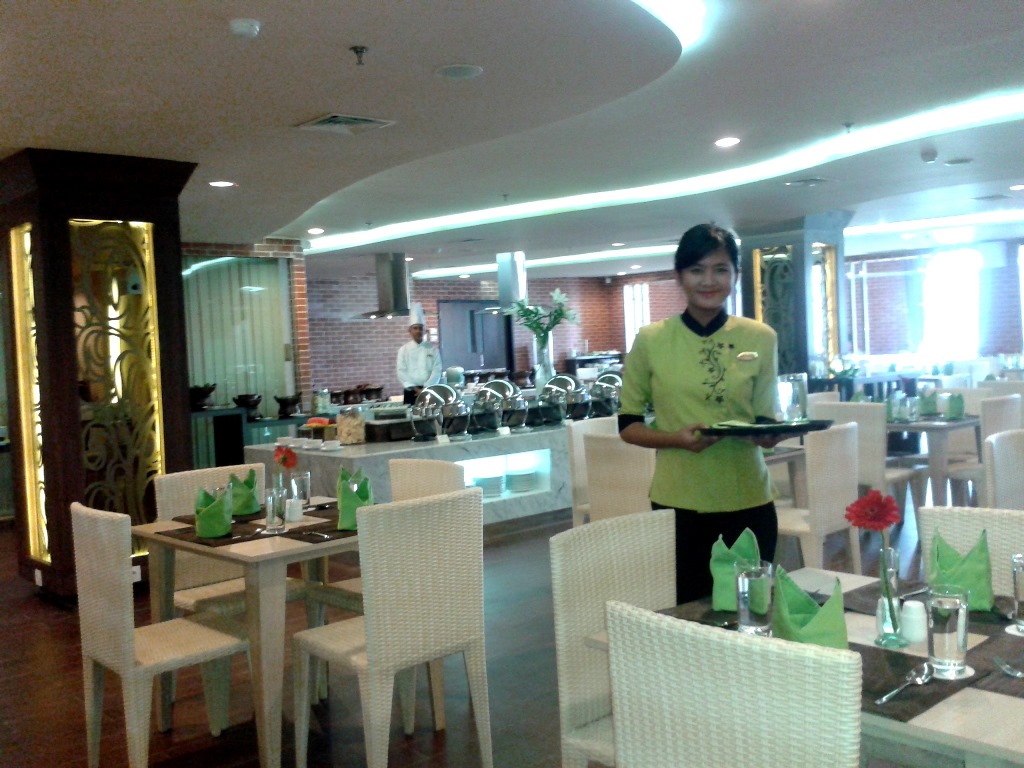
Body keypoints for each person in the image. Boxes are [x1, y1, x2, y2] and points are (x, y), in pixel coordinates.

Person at [618, 223, 781, 604]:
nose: (709, 281)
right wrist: (675, 440)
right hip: (678, 501)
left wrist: (768, 435)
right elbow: (628, 426)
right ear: (679, 276)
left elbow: (766, 419)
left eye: (721, 269)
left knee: (751, 610)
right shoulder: (651, 340)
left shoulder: (761, 337)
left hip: (749, 498)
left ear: (735, 276)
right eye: (697, 270)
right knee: (689, 612)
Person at [396, 303, 442, 404]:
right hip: (411, 391)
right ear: (410, 330)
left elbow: (437, 370)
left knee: (431, 413)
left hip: (429, 390)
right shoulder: (403, 350)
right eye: (415, 328)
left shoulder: (433, 349)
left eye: (420, 328)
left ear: (424, 330)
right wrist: (415, 389)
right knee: (411, 413)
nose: (418, 331)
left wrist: (426, 388)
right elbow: (401, 371)